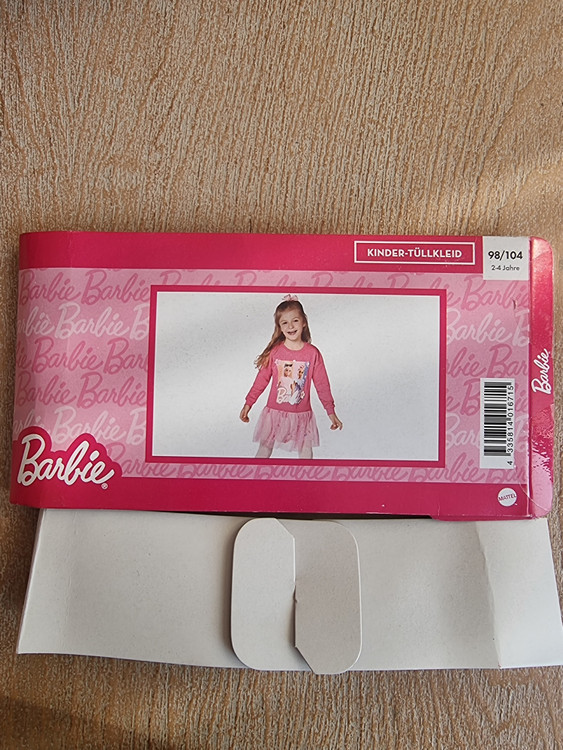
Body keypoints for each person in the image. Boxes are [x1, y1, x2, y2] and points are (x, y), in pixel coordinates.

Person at [239, 295, 342, 459]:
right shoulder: (275, 352)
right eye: (285, 323)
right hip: (275, 414)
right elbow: (261, 380)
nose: (290, 326)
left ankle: (306, 476)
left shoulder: (312, 353)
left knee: (306, 452)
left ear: (304, 322)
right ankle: (255, 474)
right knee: (264, 450)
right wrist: (248, 403)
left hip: (302, 416)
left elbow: (322, 385)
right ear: (279, 327)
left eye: (295, 320)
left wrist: (331, 412)